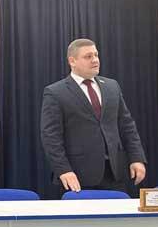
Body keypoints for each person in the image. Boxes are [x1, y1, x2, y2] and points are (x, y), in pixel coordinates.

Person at [40, 38, 146, 194]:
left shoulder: (112, 86)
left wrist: (137, 158)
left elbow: (127, 126)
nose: (95, 60)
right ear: (72, 61)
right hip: (76, 176)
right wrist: (63, 170)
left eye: (96, 55)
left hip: (114, 173)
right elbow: (51, 136)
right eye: (88, 56)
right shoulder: (56, 92)